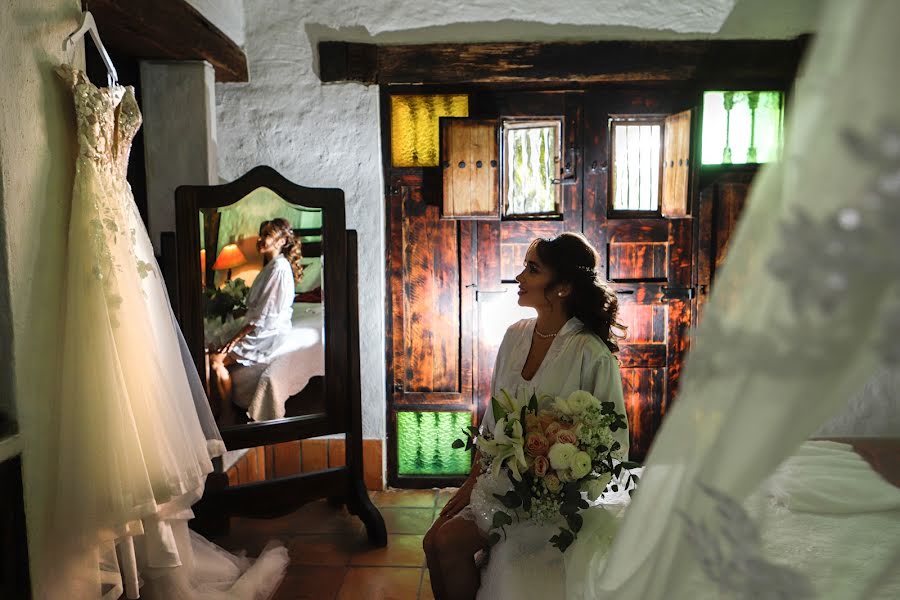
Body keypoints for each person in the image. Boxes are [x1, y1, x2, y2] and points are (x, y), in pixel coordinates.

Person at [424, 232, 629, 600]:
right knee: (431, 542)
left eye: (532, 270)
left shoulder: (591, 354)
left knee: (447, 543)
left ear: (562, 286)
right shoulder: (514, 336)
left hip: (553, 501)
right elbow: (493, 421)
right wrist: (473, 481)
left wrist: (555, 479)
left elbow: (613, 447)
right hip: (501, 483)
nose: (519, 278)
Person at [209, 218, 304, 417]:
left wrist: (234, 340)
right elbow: (258, 307)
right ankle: (213, 410)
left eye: (267, 235)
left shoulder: (278, 269)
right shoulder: (271, 266)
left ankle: (226, 416)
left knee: (215, 360)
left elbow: (263, 315)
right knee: (209, 346)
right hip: (260, 325)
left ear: (281, 241)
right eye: (261, 234)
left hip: (267, 332)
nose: (260, 239)